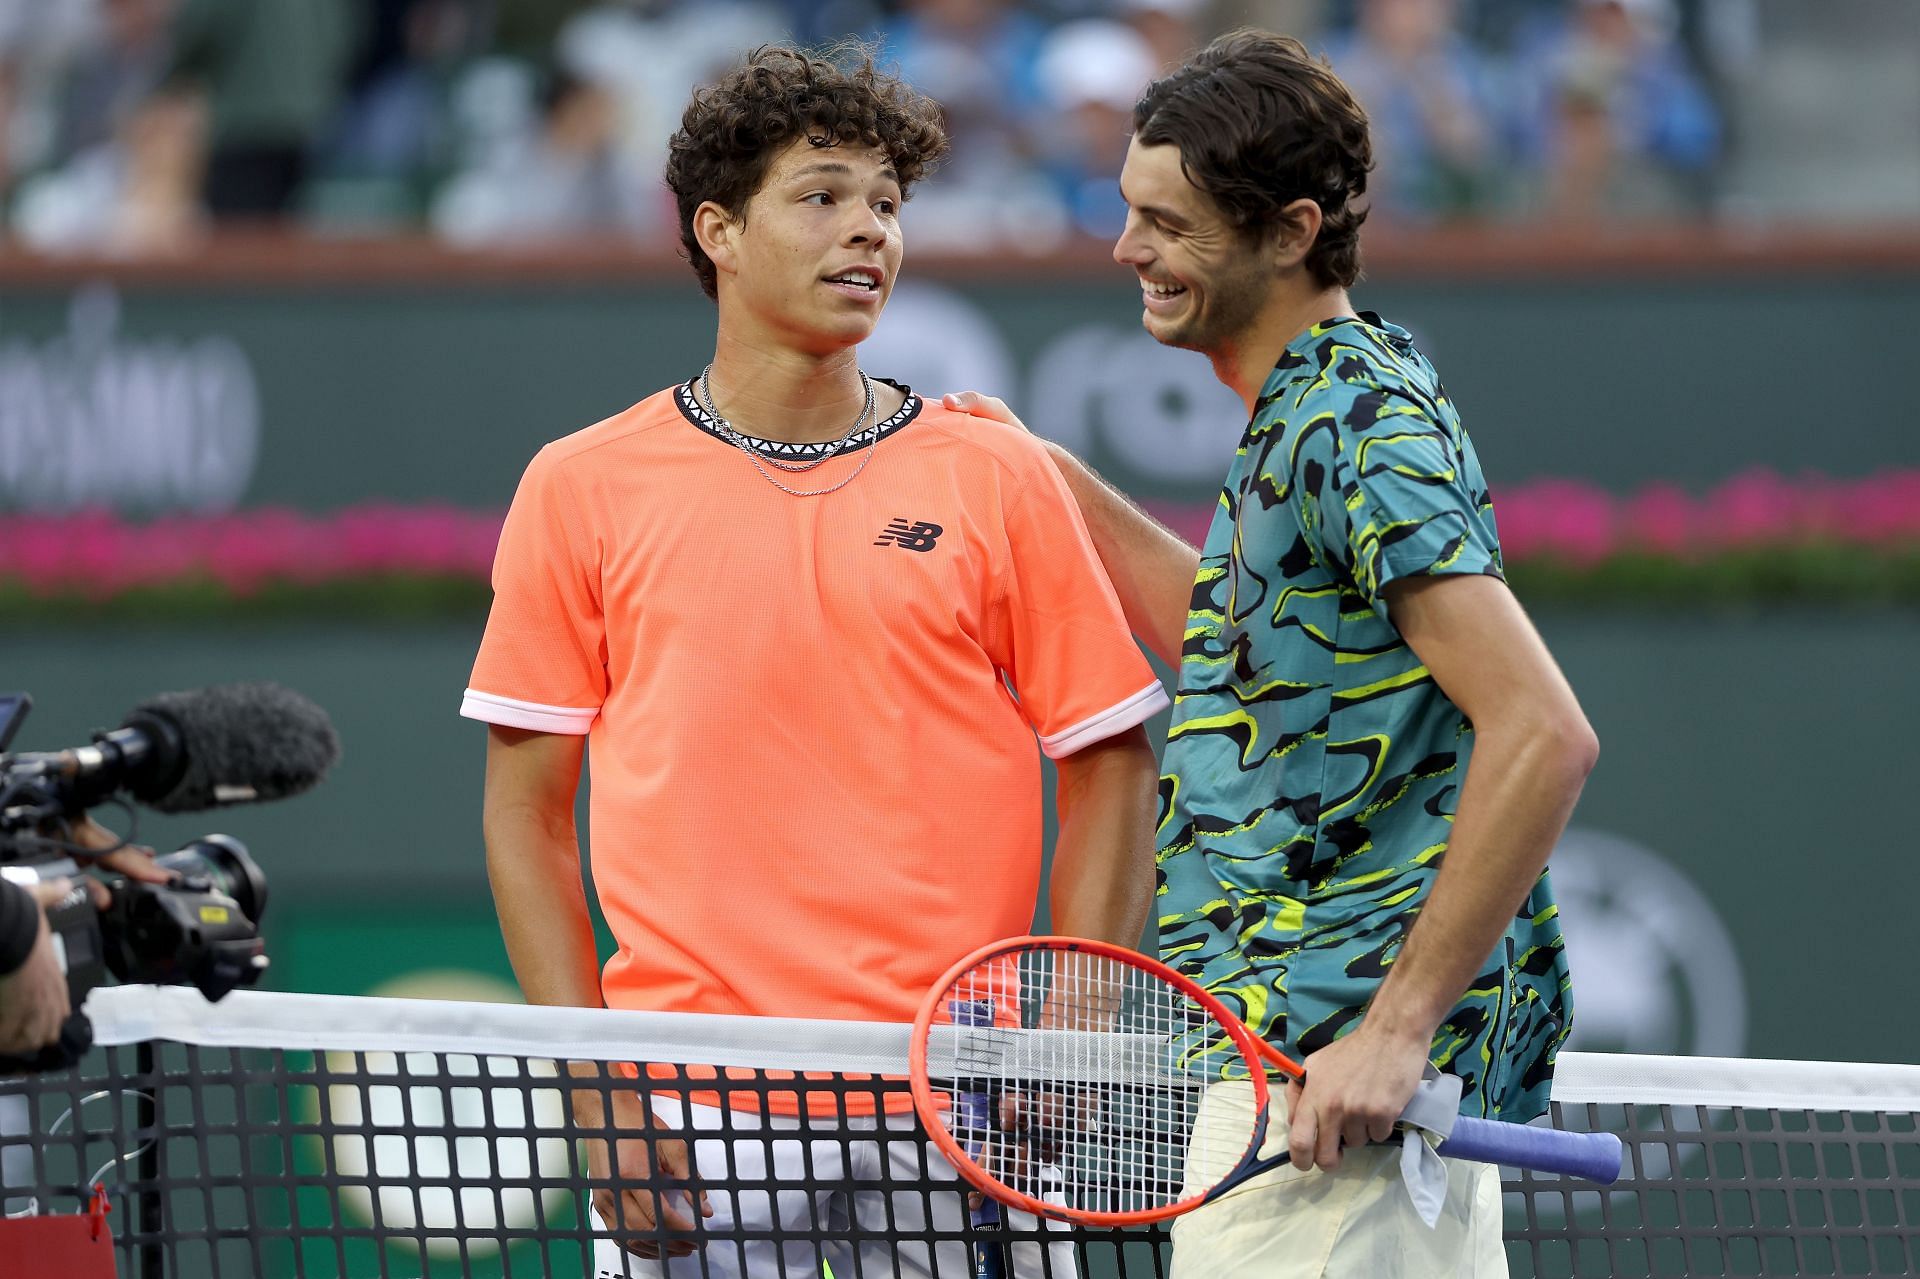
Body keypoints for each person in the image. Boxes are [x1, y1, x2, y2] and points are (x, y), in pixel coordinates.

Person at [460, 43, 1165, 1279]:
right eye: (824, 196)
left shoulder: (994, 471)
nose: (869, 234)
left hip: (964, 1094)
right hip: (692, 1104)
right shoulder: (579, 487)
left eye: (889, 205)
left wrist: (1073, 1023)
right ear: (718, 231)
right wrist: (598, 1092)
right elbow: (525, 813)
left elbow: (1109, 759)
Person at [946, 29, 1597, 1277]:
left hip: (1337, 1097)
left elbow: (1544, 729)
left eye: (1169, 225)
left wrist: (1394, 1032)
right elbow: (1252, 661)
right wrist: (1050, 478)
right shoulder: (1318, 398)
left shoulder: (1355, 420)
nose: (1128, 250)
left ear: (1291, 230)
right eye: (1130, 213)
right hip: (1313, 1090)